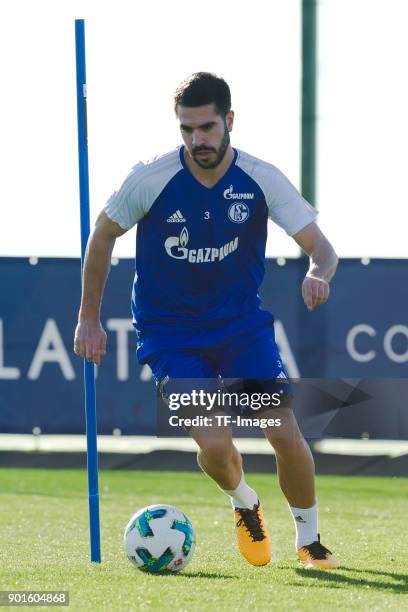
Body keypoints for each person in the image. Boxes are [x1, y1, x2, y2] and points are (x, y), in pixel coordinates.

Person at [74, 72, 339, 569]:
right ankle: (245, 503)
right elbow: (102, 236)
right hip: (170, 335)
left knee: (283, 430)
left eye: (207, 127)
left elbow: (322, 249)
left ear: (229, 122)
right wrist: (88, 318)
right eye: (187, 129)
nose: (198, 140)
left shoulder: (261, 178)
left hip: (242, 330)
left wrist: (317, 272)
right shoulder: (150, 178)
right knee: (216, 445)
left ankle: (310, 541)